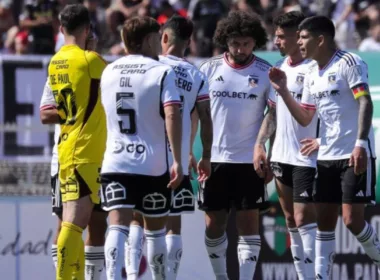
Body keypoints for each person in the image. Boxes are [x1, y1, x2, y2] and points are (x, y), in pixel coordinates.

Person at [269, 15, 378, 279]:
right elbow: (307, 116)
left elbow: (365, 103)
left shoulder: (349, 63)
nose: (300, 43)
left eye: (304, 37)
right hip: (326, 156)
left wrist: (360, 144)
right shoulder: (311, 75)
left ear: (320, 39)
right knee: (324, 225)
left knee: (352, 220)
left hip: (354, 153)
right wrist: (283, 91)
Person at [124, 15, 213, 280]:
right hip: (177, 158)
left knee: (138, 219)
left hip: (146, 153)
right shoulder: (197, 74)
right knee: (173, 223)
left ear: (164, 38)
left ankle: (131, 275)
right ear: (189, 42)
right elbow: (201, 118)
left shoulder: (150, 66)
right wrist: (192, 152)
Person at [99, 16, 183, 280]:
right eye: (158, 37)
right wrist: (178, 159)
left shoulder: (109, 70)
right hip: (152, 163)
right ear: (148, 40)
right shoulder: (161, 71)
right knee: (155, 231)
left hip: (115, 161)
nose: (160, 42)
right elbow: (172, 114)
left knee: (117, 226)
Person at [198, 10, 272, 280]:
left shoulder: (265, 72)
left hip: (249, 161)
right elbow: (196, 113)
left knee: (248, 223)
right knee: (213, 225)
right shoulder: (208, 68)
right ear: (225, 40)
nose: (240, 49)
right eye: (235, 43)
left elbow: (272, 114)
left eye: (246, 43)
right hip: (215, 159)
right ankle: (221, 277)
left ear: (255, 42)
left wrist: (262, 146)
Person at [254, 11, 318, 280]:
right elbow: (272, 113)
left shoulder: (316, 69)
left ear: (297, 36)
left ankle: (319, 274)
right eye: (276, 35)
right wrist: (260, 145)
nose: (276, 40)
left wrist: (322, 141)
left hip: (308, 156)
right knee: (290, 220)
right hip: (281, 155)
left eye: (281, 36)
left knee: (305, 220)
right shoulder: (279, 67)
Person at [40, 29, 107, 280]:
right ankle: (65, 275)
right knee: (67, 223)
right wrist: (75, 112)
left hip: (97, 156)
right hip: (67, 158)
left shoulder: (93, 68)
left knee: (99, 226)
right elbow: (45, 113)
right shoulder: (58, 72)